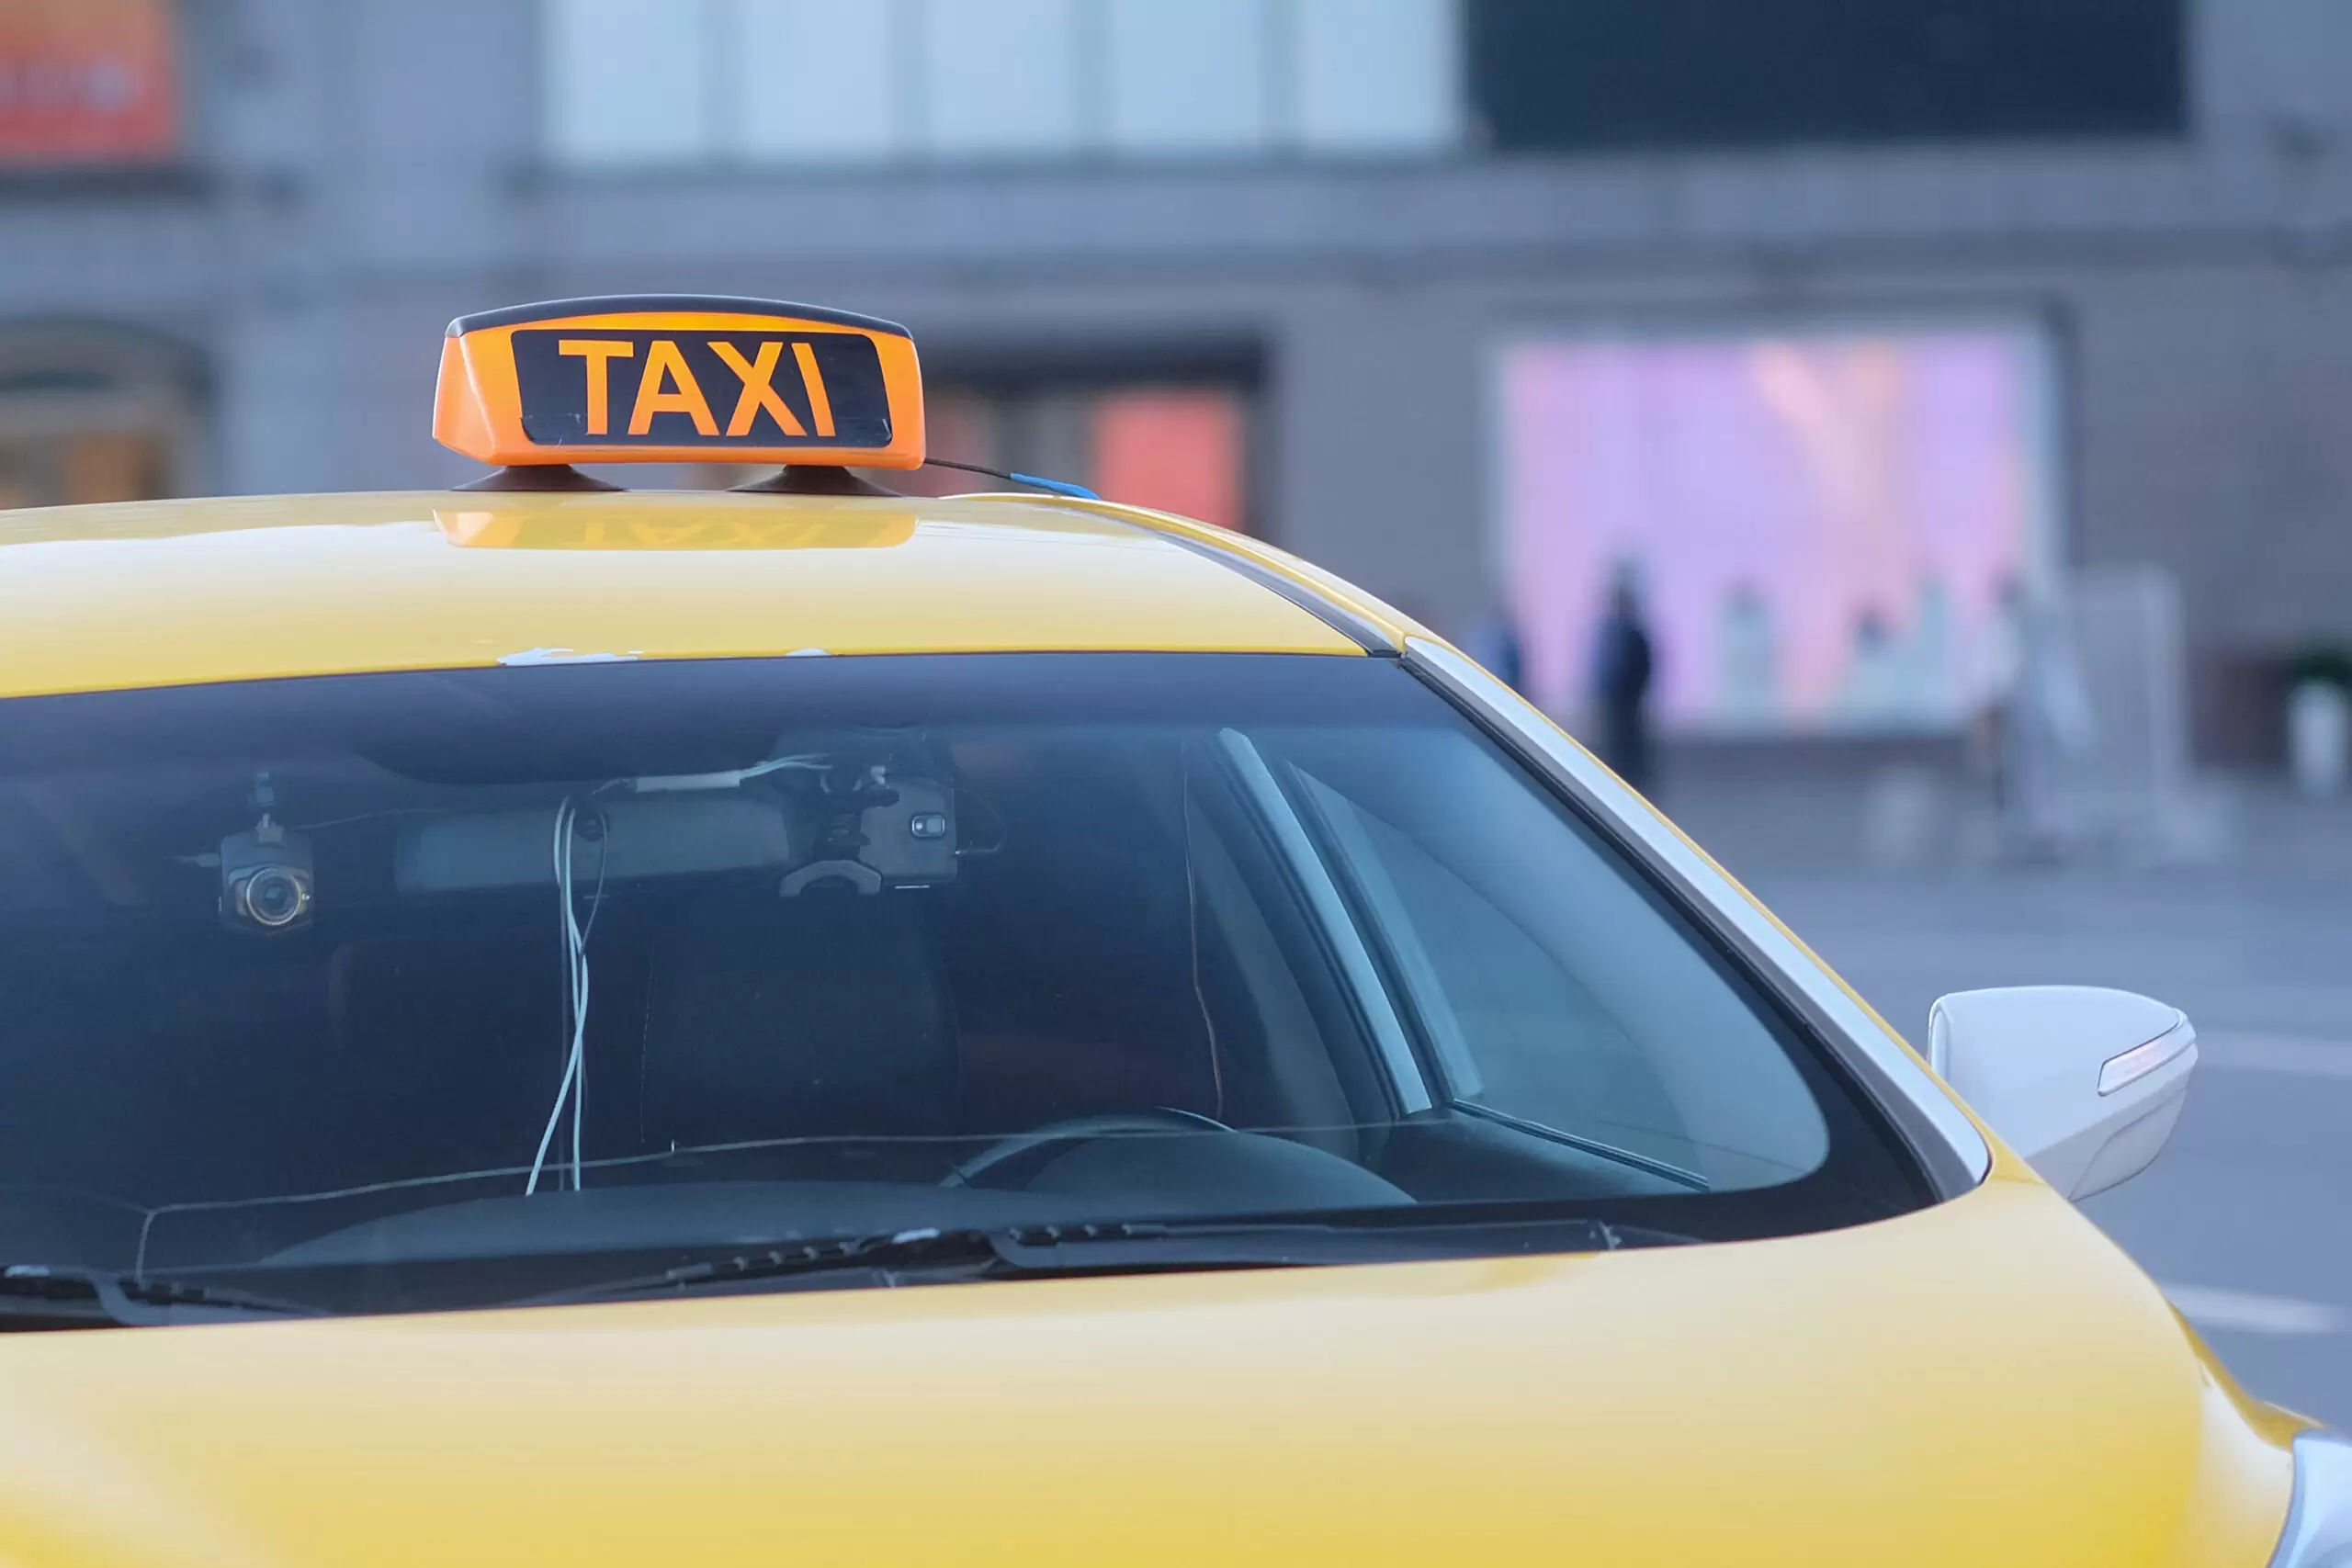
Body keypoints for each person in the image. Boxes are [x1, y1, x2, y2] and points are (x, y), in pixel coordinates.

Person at [1590, 568, 1657, 793]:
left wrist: (1633, 695)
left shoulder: (1635, 634)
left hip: (1631, 711)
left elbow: (1646, 668)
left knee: (1632, 763)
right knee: (1615, 758)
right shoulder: (1609, 634)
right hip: (1613, 711)